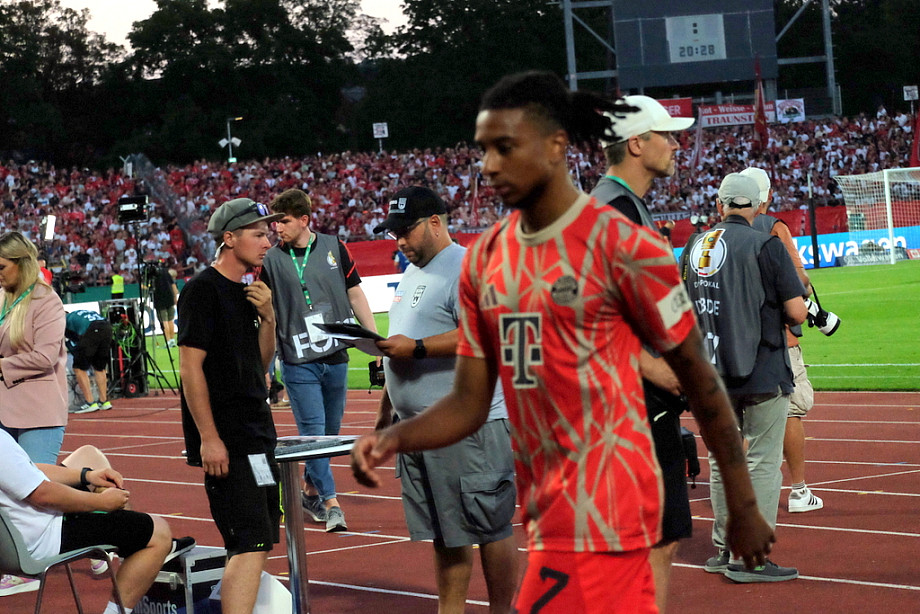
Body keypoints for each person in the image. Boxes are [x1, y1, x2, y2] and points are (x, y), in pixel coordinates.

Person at [352, 71, 775, 612]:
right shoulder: (487, 260)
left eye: (505, 148)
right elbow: (468, 402)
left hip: (618, 500)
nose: (488, 166)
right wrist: (395, 437)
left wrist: (742, 503)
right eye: (485, 150)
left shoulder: (625, 244)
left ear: (554, 148)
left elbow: (700, 380)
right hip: (551, 510)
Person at [373, 186, 517, 614]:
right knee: (446, 533)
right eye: (394, 232)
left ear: (435, 223)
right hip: (422, 427)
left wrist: (417, 348)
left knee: (490, 527)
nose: (399, 240)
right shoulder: (412, 272)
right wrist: (387, 410)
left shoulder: (469, 266)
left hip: (469, 425)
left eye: (406, 230)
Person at [589, 94, 697, 612]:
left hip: (633, 402)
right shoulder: (613, 209)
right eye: (666, 134)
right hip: (631, 405)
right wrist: (655, 367)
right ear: (636, 143)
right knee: (649, 539)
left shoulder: (619, 205)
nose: (675, 144)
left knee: (653, 538)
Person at [683, 173, 807, 583]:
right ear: (758, 206)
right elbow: (796, 311)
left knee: (721, 461)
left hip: (709, 371)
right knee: (763, 463)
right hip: (760, 367)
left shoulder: (693, 245)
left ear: (719, 205)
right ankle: (750, 556)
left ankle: (723, 548)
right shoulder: (764, 244)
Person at [178, 198, 283, 614]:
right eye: (258, 234)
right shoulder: (202, 290)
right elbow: (190, 369)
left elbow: (259, 365)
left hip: (257, 435)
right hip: (229, 441)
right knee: (249, 541)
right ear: (230, 238)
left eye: (267, 234)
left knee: (261, 539)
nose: (267, 242)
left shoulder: (249, 293)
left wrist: (268, 317)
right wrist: (209, 438)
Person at [261, 188, 379, 532]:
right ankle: (331, 503)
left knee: (329, 433)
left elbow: (355, 292)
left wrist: (375, 343)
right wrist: (265, 366)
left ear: (304, 220)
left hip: (336, 355)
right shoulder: (270, 260)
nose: (277, 228)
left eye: (283, 221)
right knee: (313, 435)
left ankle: (310, 491)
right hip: (298, 361)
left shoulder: (334, 247)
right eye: (274, 222)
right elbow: (267, 315)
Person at [0, 432, 187, 608]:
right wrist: (102, 502)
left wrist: (87, 475)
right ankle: (135, 556)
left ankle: (130, 548)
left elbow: (30, 471)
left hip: (17, 538)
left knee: (90, 457)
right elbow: (43, 494)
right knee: (158, 532)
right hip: (42, 536)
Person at [741, 166, 824, 514]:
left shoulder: (716, 234)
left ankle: (738, 491)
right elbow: (798, 281)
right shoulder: (773, 227)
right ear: (768, 196)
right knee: (790, 411)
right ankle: (799, 490)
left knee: (744, 416)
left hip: (736, 339)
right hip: (778, 337)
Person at [0, 231, 68, 464]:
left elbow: (45, 357)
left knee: (36, 484)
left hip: (38, 412)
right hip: (4, 410)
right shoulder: (2, 298)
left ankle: (87, 478)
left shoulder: (47, 301)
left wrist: (2, 366)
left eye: (2, 267)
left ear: (22, 263)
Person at [65, 309, 114, 414]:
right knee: (99, 367)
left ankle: (90, 403)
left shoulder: (64, 320)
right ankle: (104, 401)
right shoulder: (78, 313)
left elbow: (73, 343)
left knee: (78, 368)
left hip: (93, 330)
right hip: (107, 327)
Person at [150, 264, 179, 348]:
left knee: (164, 321)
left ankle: (168, 341)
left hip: (159, 300)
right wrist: (175, 297)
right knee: (170, 320)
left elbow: (148, 287)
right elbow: (173, 285)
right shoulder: (166, 272)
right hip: (170, 298)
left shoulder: (153, 275)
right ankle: (172, 340)